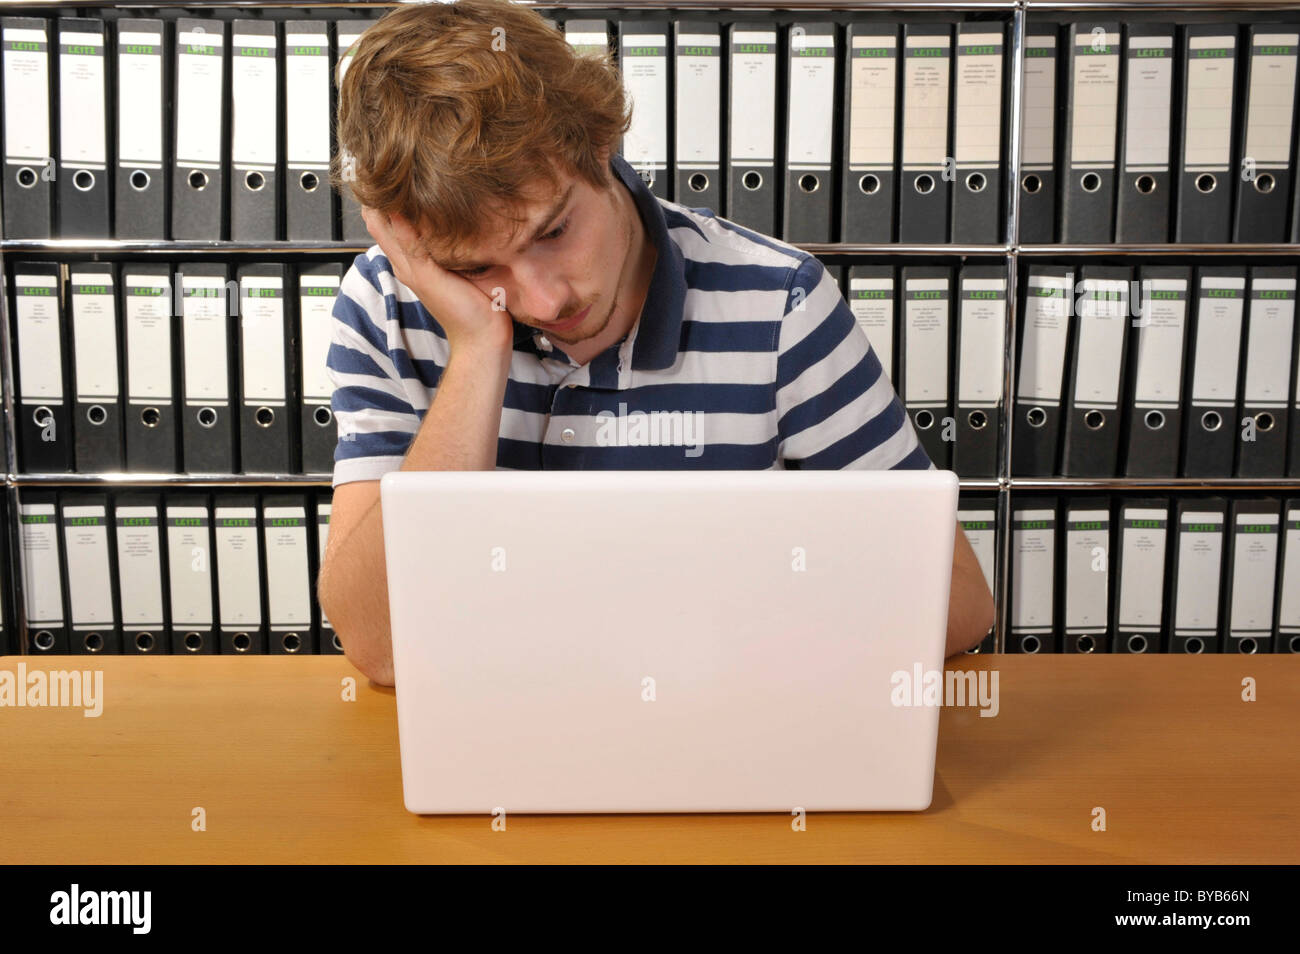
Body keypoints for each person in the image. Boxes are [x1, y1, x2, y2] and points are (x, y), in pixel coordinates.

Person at [317, 0, 994, 685]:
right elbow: (380, 647)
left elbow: (960, 603)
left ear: (603, 143)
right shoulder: (387, 303)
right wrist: (476, 351)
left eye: (554, 232)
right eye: (477, 267)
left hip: (724, 715)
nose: (545, 300)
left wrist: (707, 639)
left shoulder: (778, 299)